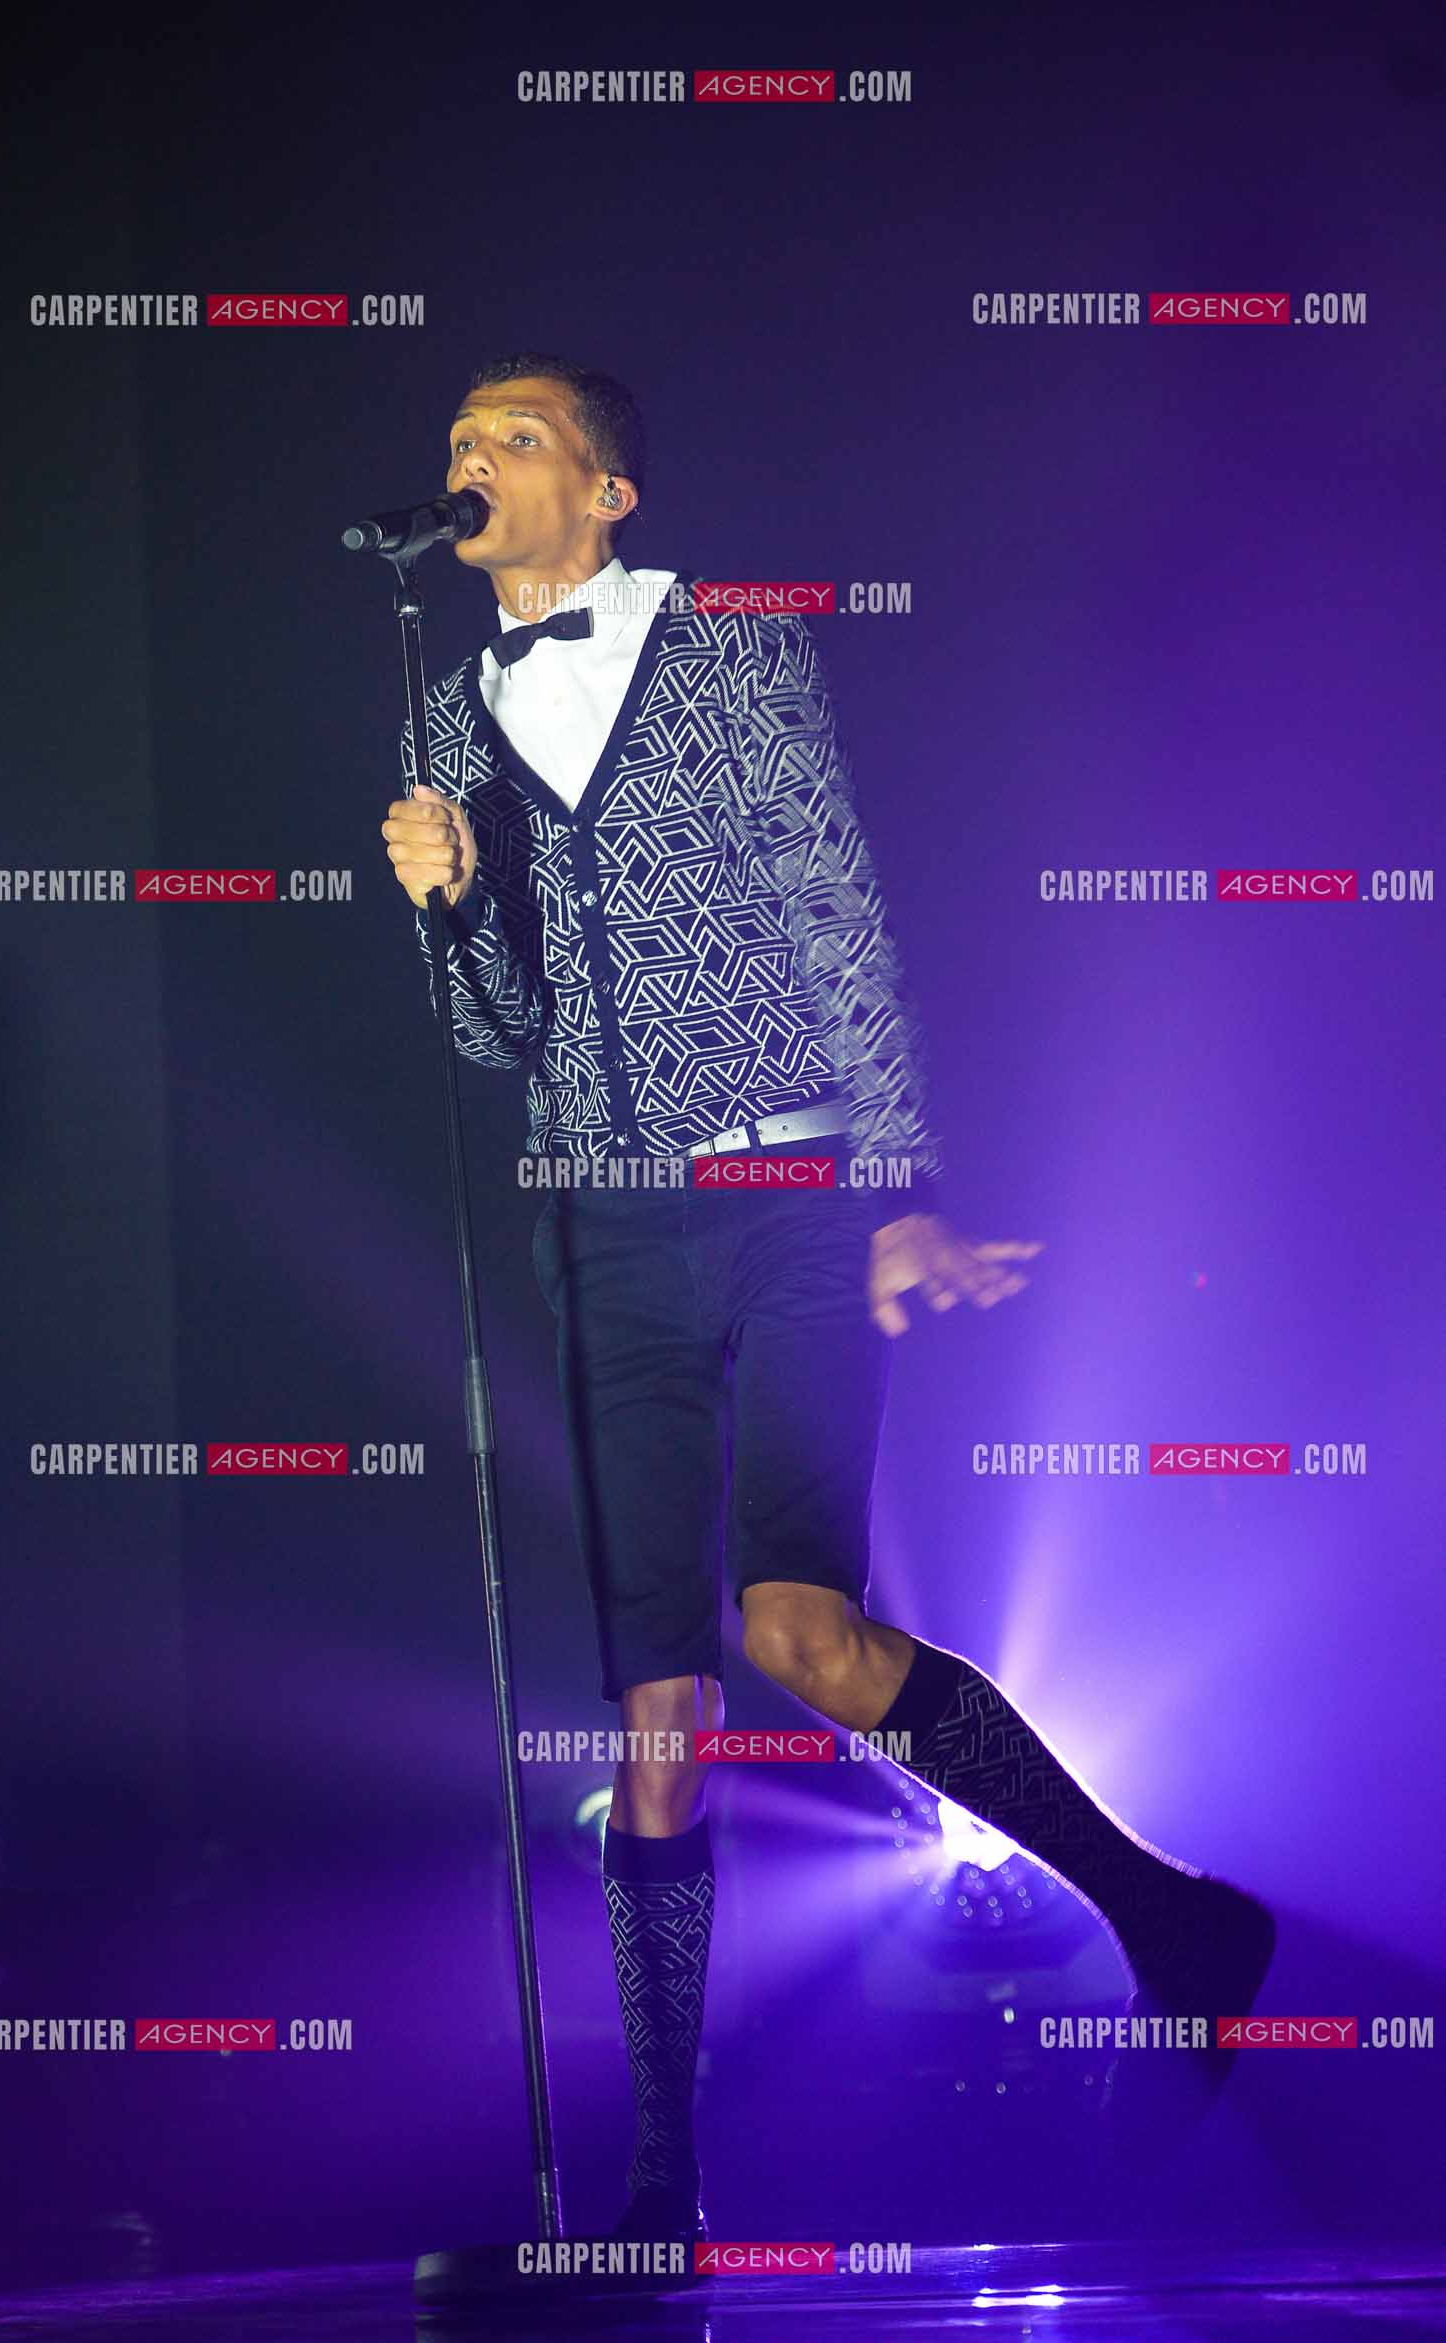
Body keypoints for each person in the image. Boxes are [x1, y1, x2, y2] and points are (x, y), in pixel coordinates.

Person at [380, 353, 1273, 2240]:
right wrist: (448, 906)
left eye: (513, 439)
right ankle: (663, 2177)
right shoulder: (452, 706)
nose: (472, 465)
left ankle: (1167, 1911)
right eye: (458, 445)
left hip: (789, 1192)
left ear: (608, 491)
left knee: (801, 1634)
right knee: (656, 1718)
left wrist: (902, 1187)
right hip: (602, 1221)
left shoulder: (729, 652)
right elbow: (501, 1039)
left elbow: (837, 907)